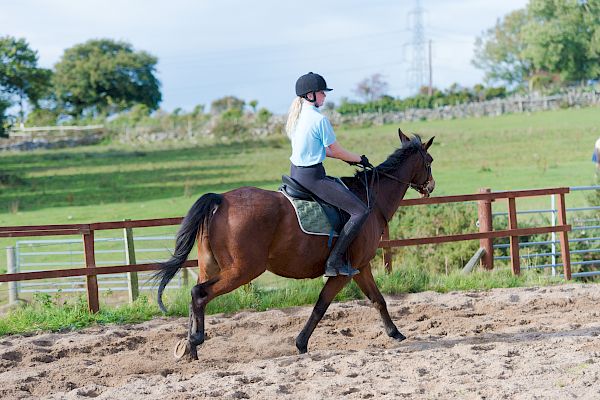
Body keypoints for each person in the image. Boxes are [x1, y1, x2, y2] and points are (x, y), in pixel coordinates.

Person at [285, 72, 372, 277]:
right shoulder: (319, 120)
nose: (325, 96)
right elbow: (337, 150)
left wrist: (350, 159)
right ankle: (334, 262)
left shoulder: (297, 118)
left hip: (295, 174)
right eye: (322, 92)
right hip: (312, 178)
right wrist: (359, 159)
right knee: (361, 211)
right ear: (310, 95)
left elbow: (325, 151)